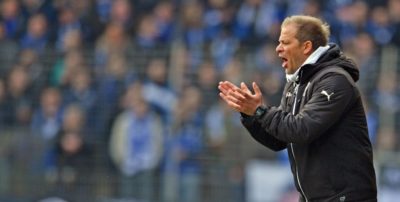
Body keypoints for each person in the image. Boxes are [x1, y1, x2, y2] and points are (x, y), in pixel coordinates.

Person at [218, 15, 377, 202]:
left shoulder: (335, 81)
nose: (278, 49)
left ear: (306, 47)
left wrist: (261, 111)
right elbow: (279, 139)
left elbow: (302, 129)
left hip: (345, 197)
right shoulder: (296, 84)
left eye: (285, 42)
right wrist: (250, 114)